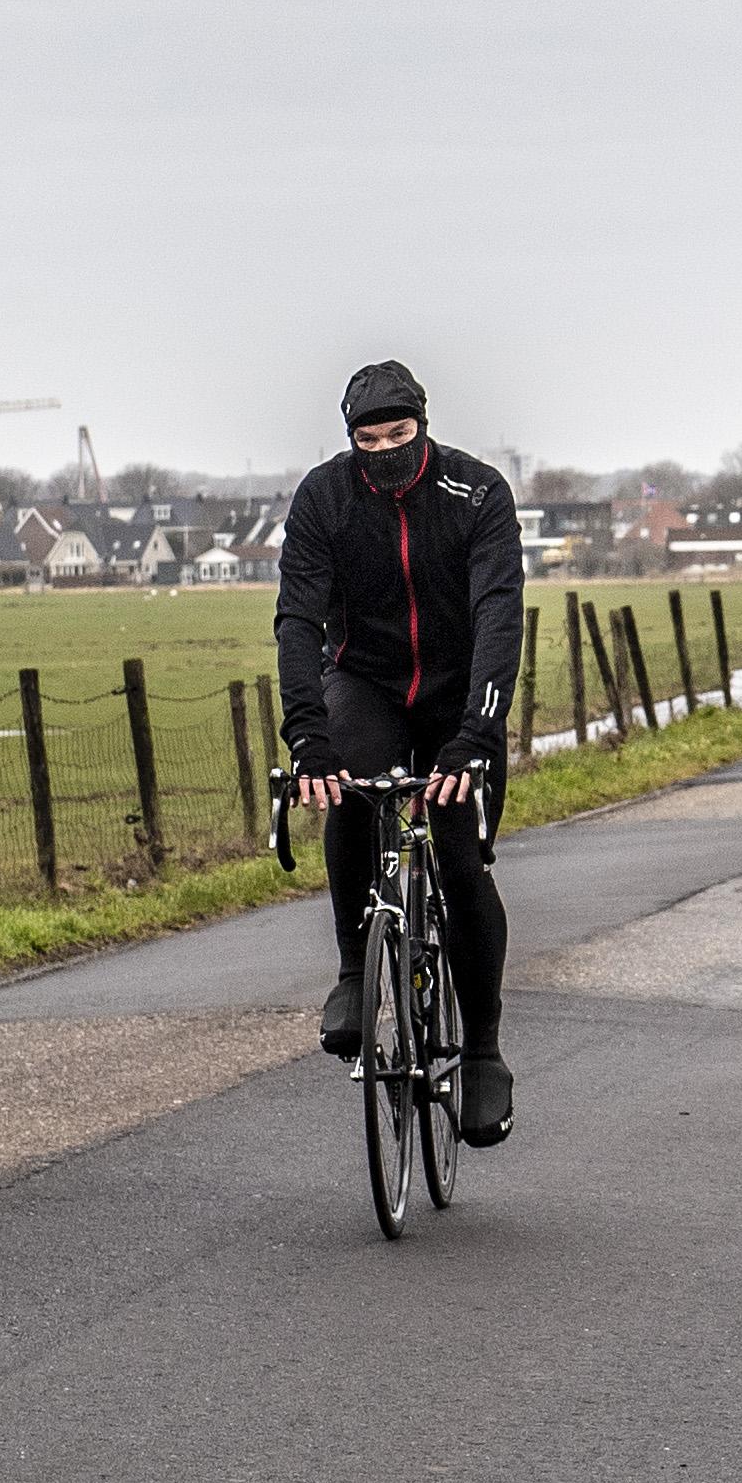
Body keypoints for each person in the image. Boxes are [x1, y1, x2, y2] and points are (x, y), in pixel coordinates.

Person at [276, 361, 524, 1144]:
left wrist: (477, 736)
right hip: (367, 681)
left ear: (422, 425)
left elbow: (499, 614)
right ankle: (356, 973)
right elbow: (297, 619)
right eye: (369, 439)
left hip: (458, 691)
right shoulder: (325, 497)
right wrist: (307, 737)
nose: (384, 450)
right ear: (351, 438)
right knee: (351, 789)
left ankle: (481, 1053)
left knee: (459, 857)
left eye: (398, 434)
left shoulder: (476, 493)